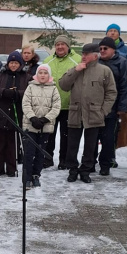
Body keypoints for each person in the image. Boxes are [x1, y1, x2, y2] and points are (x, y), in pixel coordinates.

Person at [59, 43, 116, 183]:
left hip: (94, 114)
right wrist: (76, 70)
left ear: (95, 55)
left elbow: (111, 93)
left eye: (86, 54)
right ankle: (72, 170)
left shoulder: (104, 70)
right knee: (72, 145)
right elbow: (63, 85)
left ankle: (85, 170)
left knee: (91, 145)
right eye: (83, 53)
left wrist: (103, 111)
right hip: (75, 113)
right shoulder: (76, 68)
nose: (83, 56)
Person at [0, 51, 29, 177]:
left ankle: (11, 168)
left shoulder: (26, 76)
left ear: (20, 64)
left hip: (16, 114)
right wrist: (4, 92)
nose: (14, 65)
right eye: (11, 62)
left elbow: (29, 91)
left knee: (12, 144)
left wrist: (17, 94)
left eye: (16, 63)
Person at [43, 35, 81, 169]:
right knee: (49, 134)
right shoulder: (48, 61)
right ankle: (47, 159)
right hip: (51, 105)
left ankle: (64, 160)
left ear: (68, 46)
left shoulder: (77, 60)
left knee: (66, 136)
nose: (60, 47)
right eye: (57, 44)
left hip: (69, 105)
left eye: (62, 44)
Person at [96, 37, 127, 176]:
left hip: (112, 107)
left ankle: (105, 164)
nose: (102, 51)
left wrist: (122, 107)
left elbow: (125, 86)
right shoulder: (96, 61)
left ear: (113, 50)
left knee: (108, 138)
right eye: (100, 49)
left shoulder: (122, 62)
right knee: (93, 137)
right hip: (95, 107)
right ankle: (90, 162)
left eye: (106, 48)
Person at [22, 64, 61, 189]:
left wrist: (45, 119)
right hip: (30, 125)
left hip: (45, 126)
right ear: (36, 75)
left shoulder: (54, 89)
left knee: (40, 153)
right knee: (29, 153)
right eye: (40, 73)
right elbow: (26, 104)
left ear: (49, 75)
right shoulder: (30, 87)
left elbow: (56, 107)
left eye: (45, 73)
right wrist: (33, 118)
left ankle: (36, 175)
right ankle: (27, 177)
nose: (42, 75)